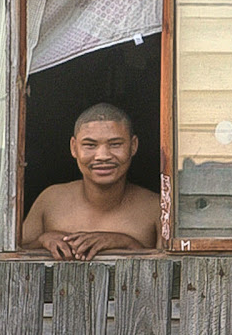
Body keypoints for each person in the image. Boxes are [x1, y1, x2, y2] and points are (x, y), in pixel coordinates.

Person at [22, 103, 161, 260]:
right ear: (74, 148)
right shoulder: (50, 200)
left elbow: (167, 272)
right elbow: (16, 253)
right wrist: (43, 240)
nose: (102, 156)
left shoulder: (156, 208)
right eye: (90, 145)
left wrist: (126, 243)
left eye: (115, 144)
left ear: (133, 146)